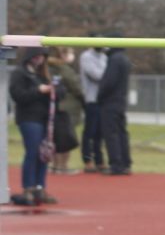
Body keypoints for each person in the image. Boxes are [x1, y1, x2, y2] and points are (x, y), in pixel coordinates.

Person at [8, 47, 59, 206]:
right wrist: (38, 90)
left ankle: (39, 187)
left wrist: (56, 90)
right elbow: (18, 95)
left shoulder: (43, 74)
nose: (40, 59)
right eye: (37, 56)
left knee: (43, 154)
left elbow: (59, 94)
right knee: (32, 151)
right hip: (29, 118)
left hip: (44, 118)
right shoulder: (20, 73)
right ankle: (28, 188)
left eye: (42, 56)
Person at [97, 41, 133, 175]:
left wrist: (100, 96)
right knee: (121, 133)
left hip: (110, 102)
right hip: (120, 101)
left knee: (111, 133)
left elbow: (109, 82)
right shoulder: (124, 58)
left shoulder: (114, 59)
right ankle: (125, 163)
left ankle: (116, 164)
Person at [48, 47, 84, 175]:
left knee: (55, 138)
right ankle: (62, 166)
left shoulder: (47, 67)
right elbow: (75, 86)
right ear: (62, 54)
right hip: (67, 108)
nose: (71, 55)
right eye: (69, 53)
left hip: (54, 106)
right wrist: (83, 99)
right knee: (66, 139)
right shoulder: (64, 69)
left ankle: (55, 165)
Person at [79, 40, 108, 173]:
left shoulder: (104, 57)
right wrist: (108, 76)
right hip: (91, 99)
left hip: (103, 99)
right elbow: (96, 75)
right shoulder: (86, 57)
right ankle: (87, 160)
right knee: (89, 132)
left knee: (100, 133)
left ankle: (99, 160)